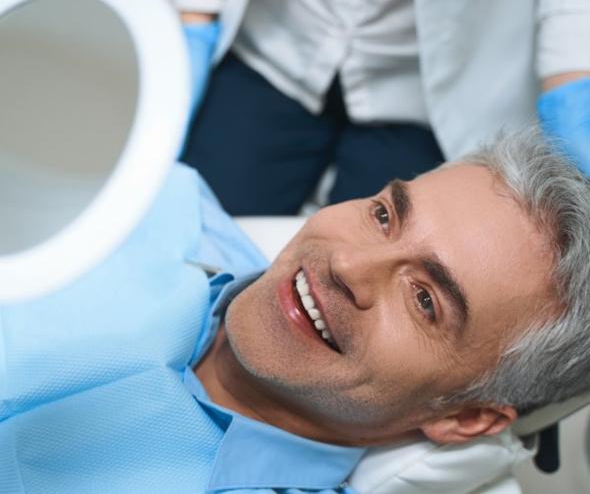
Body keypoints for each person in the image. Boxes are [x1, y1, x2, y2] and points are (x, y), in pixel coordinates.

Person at [2, 129, 590, 492]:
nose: (349, 266)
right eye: (384, 215)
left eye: (424, 300)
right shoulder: (156, 201)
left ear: (466, 418)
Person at [175, 0, 590, 215]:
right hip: (277, 41)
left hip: (423, 89)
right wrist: (194, 12)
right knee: (192, 234)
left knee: (374, 300)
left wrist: (571, 70)